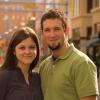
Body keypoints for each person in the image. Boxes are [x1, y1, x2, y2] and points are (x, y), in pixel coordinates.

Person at [39, 9, 99, 100]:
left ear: (66, 31)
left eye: (57, 29)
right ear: (43, 33)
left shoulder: (82, 63)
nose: (52, 35)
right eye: (47, 30)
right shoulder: (44, 66)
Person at [0, 27, 43, 100]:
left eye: (32, 47)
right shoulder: (3, 77)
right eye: (22, 48)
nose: (27, 52)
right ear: (14, 51)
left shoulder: (37, 78)